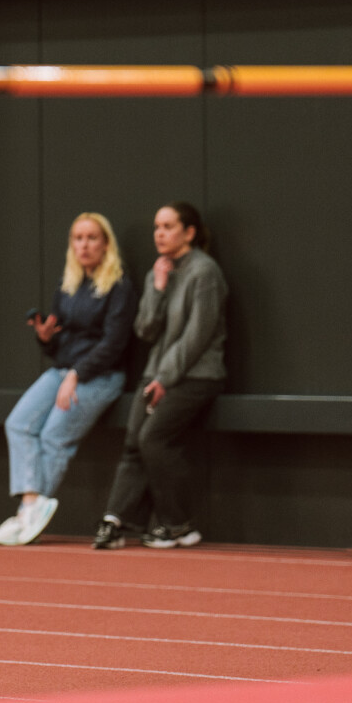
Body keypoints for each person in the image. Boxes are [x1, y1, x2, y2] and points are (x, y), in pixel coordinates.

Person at [0, 213, 136, 546]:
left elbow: (114, 342)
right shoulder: (68, 283)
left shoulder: (119, 286)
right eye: (78, 238)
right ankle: (31, 506)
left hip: (100, 375)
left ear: (106, 244)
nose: (84, 245)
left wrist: (77, 374)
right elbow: (60, 343)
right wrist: (46, 338)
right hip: (62, 370)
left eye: (92, 238)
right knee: (19, 423)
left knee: (54, 434)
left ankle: (29, 513)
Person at [92, 202, 227, 550]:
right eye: (156, 227)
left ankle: (179, 525)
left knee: (154, 439)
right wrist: (158, 287)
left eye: (168, 226)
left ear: (189, 232)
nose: (159, 234)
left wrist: (165, 379)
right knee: (134, 442)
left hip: (197, 376)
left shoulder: (205, 272)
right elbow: (145, 330)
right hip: (157, 374)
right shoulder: (159, 271)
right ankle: (115, 522)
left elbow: (197, 337)